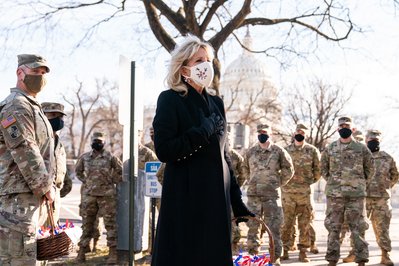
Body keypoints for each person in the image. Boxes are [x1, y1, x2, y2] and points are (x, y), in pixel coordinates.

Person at [151, 35, 254, 266]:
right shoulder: (170, 99)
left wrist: (236, 200)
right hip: (186, 198)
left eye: (208, 60)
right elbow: (165, 150)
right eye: (198, 61)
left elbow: (224, 155)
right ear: (183, 67)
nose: (205, 65)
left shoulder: (216, 103)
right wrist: (201, 131)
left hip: (216, 199)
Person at [0, 54, 56, 265]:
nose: (40, 77)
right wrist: (44, 186)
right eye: (35, 72)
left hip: (27, 197)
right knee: (17, 259)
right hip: (17, 199)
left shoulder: (32, 106)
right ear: (20, 73)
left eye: (43, 73)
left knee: (27, 256)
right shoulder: (16, 106)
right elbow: (24, 148)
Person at [321, 116, 373, 266]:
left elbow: (370, 169)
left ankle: (361, 259)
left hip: (356, 196)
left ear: (353, 129)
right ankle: (332, 259)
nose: (344, 128)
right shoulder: (330, 148)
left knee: (358, 228)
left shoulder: (362, 148)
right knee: (333, 227)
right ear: (338, 129)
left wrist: (359, 184)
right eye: (341, 126)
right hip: (335, 196)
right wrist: (334, 183)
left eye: (347, 126)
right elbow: (323, 168)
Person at [343, 129, 398, 265]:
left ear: (379, 141)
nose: (373, 142)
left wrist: (385, 186)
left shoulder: (387, 157)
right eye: (371, 140)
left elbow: (395, 175)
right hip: (362, 198)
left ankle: (385, 255)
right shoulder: (360, 156)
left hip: (381, 200)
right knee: (358, 227)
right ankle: (354, 252)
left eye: (376, 140)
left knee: (382, 228)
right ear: (366, 141)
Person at [242, 123, 294, 265]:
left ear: (270, 134)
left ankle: (274, 257)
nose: (262, 134)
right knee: (253, 227)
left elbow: (289, 170)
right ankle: (253, 256)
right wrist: (251, 181)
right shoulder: (251, 152)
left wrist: (277, 183)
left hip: (272, 196)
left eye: (264, 132)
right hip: (254, 195)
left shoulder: (279, 151)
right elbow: (244, 168)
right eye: (259, 132)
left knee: (274, 227)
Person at [75, 131, 123, 264]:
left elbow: (121, 171)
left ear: (104, 142)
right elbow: (78, 171)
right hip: (89, 196)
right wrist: (86, 181)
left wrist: (112, 180)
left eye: (100, 141)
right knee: (87, 225)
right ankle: (82, 251)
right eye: (95, 141)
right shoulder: (85, 157)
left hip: (107, 196)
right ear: (91, 142)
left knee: (110, 224)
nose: (98, 143)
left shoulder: (110, 157)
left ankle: (113, 252)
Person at [281, 123, 321, 262]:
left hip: (305, 194)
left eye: (302, 133)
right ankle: (284, 250)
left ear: (306, 135)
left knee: (304, 223)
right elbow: (281, 169)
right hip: (287, 194)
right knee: (286, 223)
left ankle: (303, 251)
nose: (300, 134)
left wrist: (307, 182)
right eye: (298, 132)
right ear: (294, 133)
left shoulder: (312, 151)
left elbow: (318, 171)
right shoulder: (285, 150)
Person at [42, 102, 72, 223]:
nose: (58, 120)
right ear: (43, 116)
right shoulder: (35, 139)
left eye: (60, 117)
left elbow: (62, 174)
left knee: (50, 240)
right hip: (37, 202)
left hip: (54, 203)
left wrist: (58, 191)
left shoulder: (59, 143)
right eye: (53, 115)